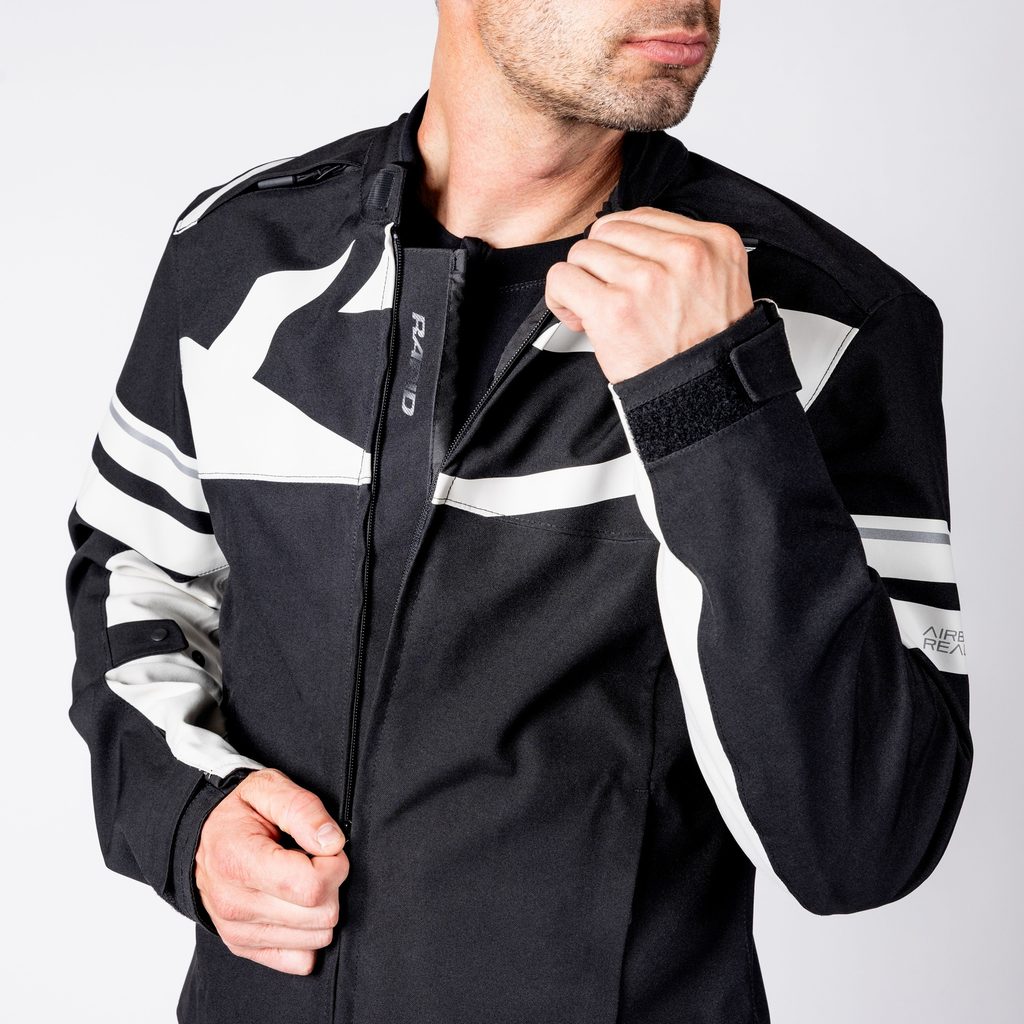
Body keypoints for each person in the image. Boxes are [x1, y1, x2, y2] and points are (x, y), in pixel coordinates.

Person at [64, 1, 973, 1022]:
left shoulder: (827, 317)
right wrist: (189, 816)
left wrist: (709, 400)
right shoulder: (241, 252)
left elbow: (862, 839)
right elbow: (136, 577)